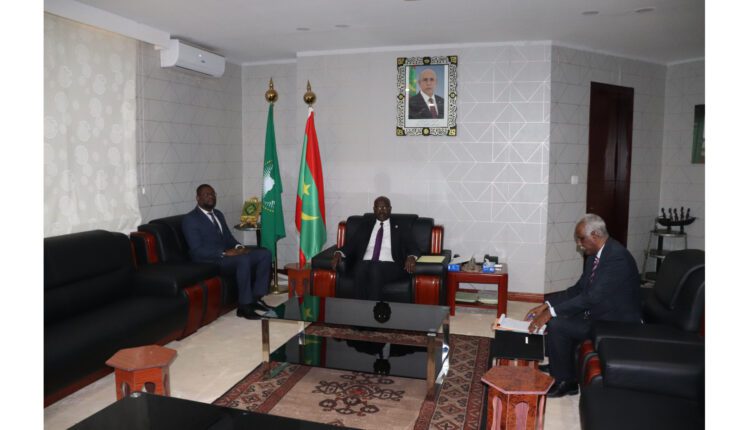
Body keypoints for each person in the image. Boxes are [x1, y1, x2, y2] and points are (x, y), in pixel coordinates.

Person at [524, 214, 641, 397]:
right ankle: (560, 365)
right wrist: (547, 305)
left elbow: (591, 298)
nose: (579, 244)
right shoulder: (596, 255)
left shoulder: (617, 258)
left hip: (615, 323)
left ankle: (566, 382)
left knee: (557, 324)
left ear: (595, 235)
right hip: (600, 313)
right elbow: (579, 289)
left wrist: (550, 313)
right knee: (560, 315)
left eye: (581, 239)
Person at [182, 184, 273, 320]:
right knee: (243, 259)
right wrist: (224, 252)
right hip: (209, 259)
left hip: (227, 255)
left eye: (213, 194)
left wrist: (239, 247)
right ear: (198, 198)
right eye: (207, 194)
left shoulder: (218, 214)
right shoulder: (190, 219)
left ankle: (256, 298)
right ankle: (244, 306)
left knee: (264, 254)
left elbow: (228, 238)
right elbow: (197, 250)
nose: (211, 197)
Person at [330, 196, 420, 300]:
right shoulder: (365, 226)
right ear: (374, 209)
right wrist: (338, 253)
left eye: (385, 207)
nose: (382, 211)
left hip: (391, 266)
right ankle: (358, 306)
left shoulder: (400, 226)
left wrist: (411, 257)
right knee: (360, 267)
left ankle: (374, 307)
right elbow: (351, 245)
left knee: (374, 267)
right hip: (365, 264)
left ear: (390, 209)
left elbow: (413, 246)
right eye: (379, 208)